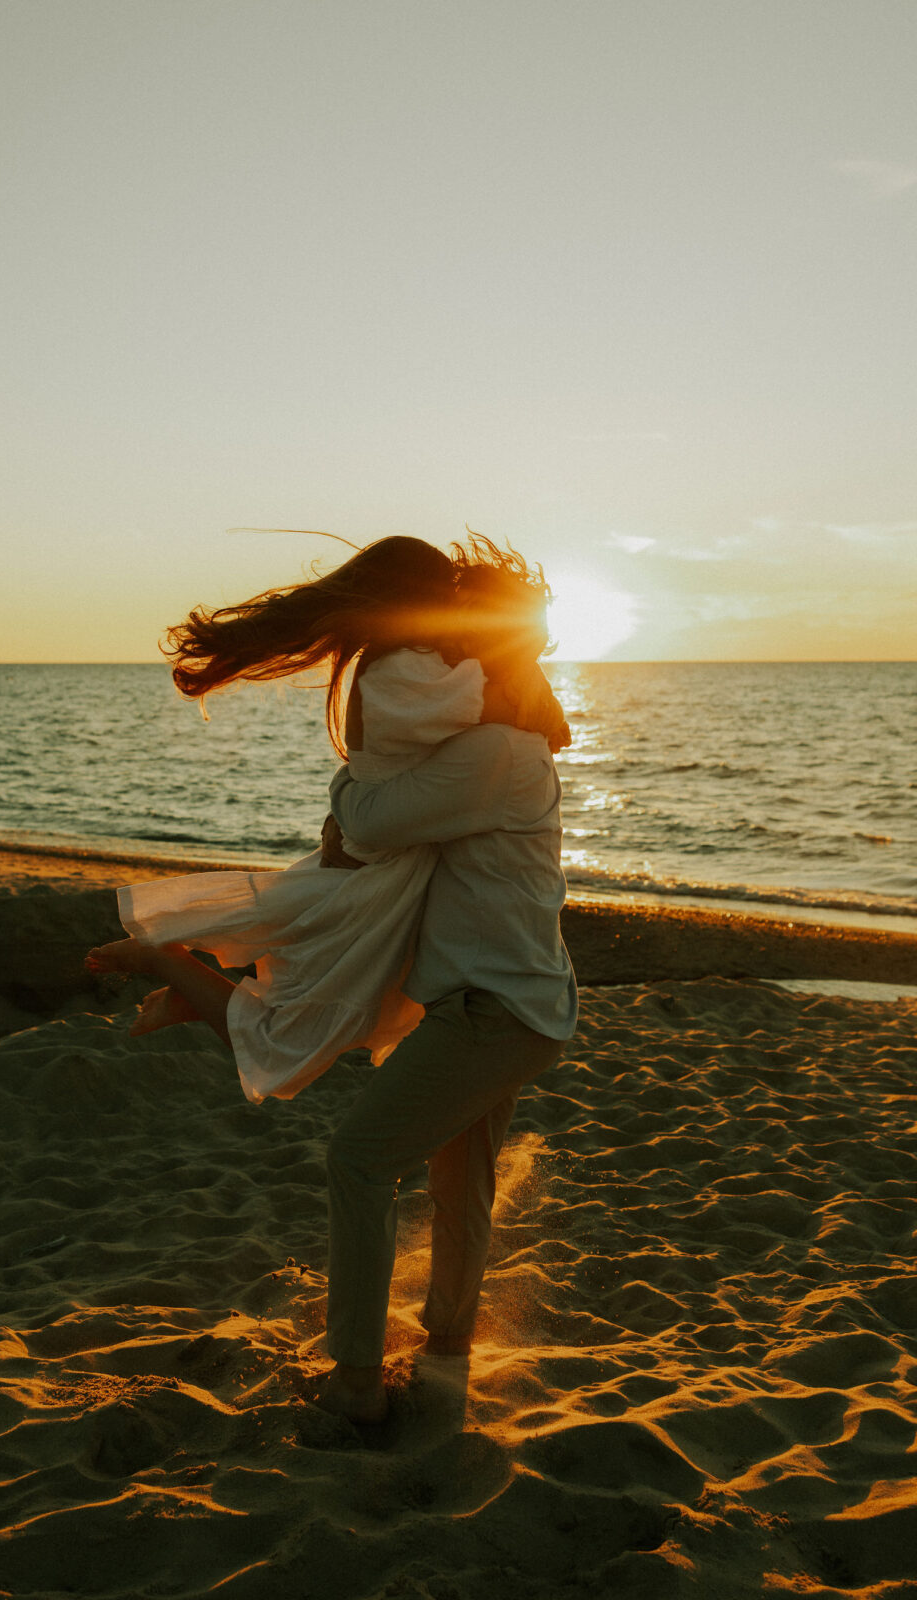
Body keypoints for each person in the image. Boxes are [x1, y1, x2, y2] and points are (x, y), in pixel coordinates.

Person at [84, 535, 568, 1107]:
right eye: (446, 599)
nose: (456, 613)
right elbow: (514, 712)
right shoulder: (407, 666)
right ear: (412, 603)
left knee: (334, 995)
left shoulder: (418, 658)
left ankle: (192, 994)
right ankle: (168, 966)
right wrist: (529, 680)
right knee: (305, 1027)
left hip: (394, 843)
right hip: (380, 855)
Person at [316, 554, 579, 1424]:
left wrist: (347, 779)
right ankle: (447, 1354)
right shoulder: (507, 740)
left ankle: (355, 1387)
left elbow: (366, 824)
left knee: (357, 1161)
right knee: (459, 1180)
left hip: (492, 1012)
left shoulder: (491, 751)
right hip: (515, 1002)